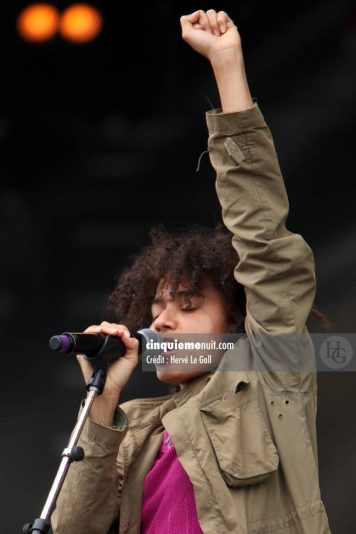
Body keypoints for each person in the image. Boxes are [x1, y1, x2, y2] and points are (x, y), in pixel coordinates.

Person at [51, 8, 331, 533]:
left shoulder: (269, 380)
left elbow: (264, 242)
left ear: (237, 322)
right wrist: (103, 400)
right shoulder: (134, 430)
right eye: (156, 309)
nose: (161, 322)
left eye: (187, 305)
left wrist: (227, 67)